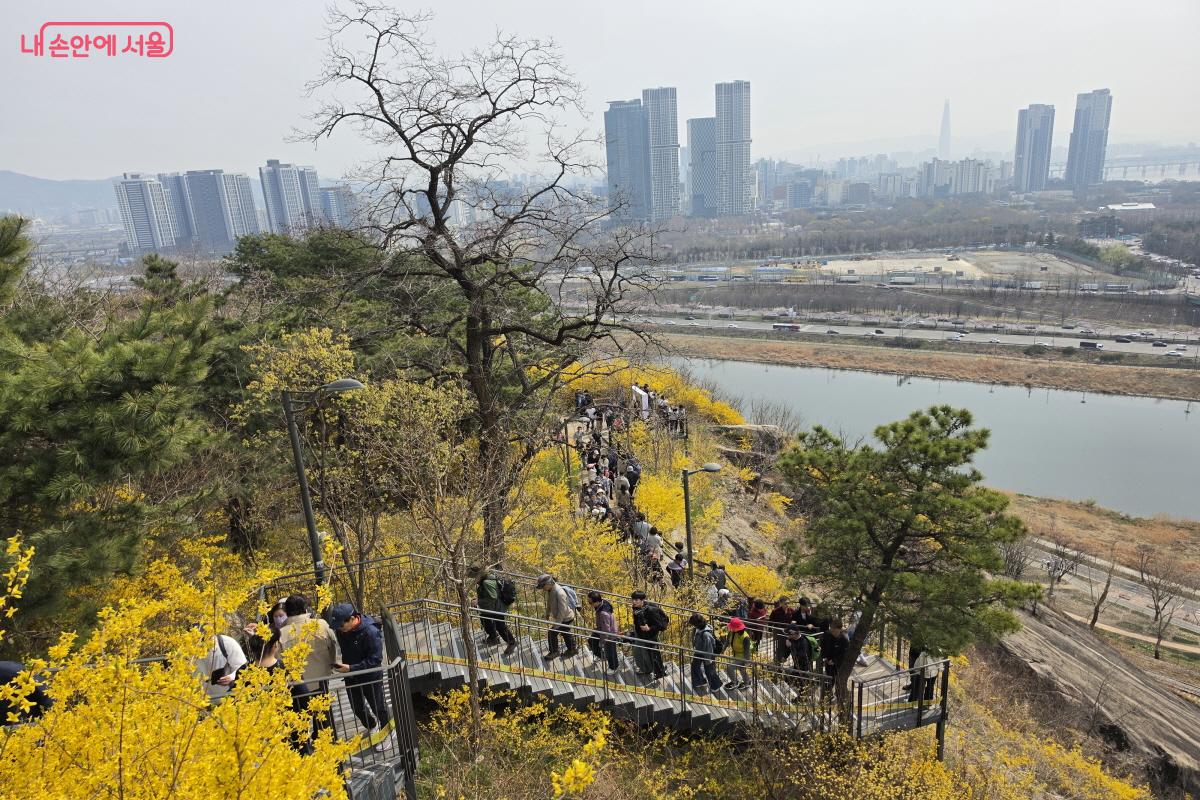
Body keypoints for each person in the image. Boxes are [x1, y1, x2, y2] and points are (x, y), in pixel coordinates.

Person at [328, 604, 391, 733]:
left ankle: (388, 731)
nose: (339, 629)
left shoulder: (370, 632)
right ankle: (372, 726)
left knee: (378, 706)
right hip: (351, 675)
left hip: (370, 676)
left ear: (352, 619)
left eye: (341, 625)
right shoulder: (342, 631)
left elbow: (375, 660)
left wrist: (351, 668)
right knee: (357, 708)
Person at [277, 595, 340, 685]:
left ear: (286, 612)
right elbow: (333, 645)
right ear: (305, 608)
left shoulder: (281, 634)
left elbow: (279, 659)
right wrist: (332, 663)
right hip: (322, 676)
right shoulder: (321, 624)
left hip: (297, 683)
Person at [469, 565, 518, 656]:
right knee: (484, 618)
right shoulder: (488, 578)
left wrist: (478, 601)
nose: (474, 580)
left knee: (500, 626)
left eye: (474, 578)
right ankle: (493, 637)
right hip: (492, 607)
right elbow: (489, 594)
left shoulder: (487, 582)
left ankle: (511, 642)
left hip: (497, 607)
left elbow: (493, 597)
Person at [536, 574, 578, 661]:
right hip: (563, 617)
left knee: (552, 633)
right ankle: (572, 649)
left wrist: (557, 624)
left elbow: (563, 610)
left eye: (543, 586)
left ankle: (555, 652)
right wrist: (547, 613)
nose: (543, 589)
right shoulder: (551, 590)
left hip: (565, 618)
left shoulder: (560, 593)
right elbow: (550, 602)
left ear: (549, 583)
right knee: (565, 633)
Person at [630, 590, 668, 681]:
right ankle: (648, 669)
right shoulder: (636, 608)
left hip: (651, 635)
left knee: (654, 654)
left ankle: (660, 673)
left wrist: (649, 628)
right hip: (641, 634)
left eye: (637, 600)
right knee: (643, 652)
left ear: (642, 600)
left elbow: (660, 626)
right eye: (633, 599)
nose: (634, 602)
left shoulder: (651, 610)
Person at [688, 613, 723, 694]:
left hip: (708, 653)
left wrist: (708, 660)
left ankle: (716, 685)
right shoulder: (697, 628)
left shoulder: (706, 634)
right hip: (699, 650)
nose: (692, 626)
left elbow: (709, 648)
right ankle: (700, 681)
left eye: (693, 624)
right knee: (694, 665)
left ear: (697, 624)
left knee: (709, 670)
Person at [586, 591, 620, 671]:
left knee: (610, 650)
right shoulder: (602, 602)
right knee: (592, 640)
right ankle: (601, 655)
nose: (589, 604)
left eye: (590, 602)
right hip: (601, 629)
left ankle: (614, 667)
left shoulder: (603, 613)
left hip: (609, 633)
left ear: (597, 601)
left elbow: (606, 630)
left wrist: (602, 642)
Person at [724, 617, 752, 690]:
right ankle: (747, 682)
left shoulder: (745, 637)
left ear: (737, 628)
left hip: (743, 656)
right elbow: (727, 642)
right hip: (736, 654)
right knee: (741, 668)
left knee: (730, 667)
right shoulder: (732, 632)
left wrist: (747, 662)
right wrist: (722, 650)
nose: (730, 628)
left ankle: (735, 682)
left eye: (732, 627)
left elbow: (747, 651)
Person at [768, 597, 794, 663]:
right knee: (780, 647)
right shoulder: (775, 611)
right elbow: (770, 621)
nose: (787, 605)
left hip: (789, 632)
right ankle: (778, 662)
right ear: (781, 603)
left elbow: (795, 619)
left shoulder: (791, 610)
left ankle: (792, 663)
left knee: (790, 647)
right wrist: (770, 630)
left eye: (788, 603)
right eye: (785, 603)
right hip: (779, 632)